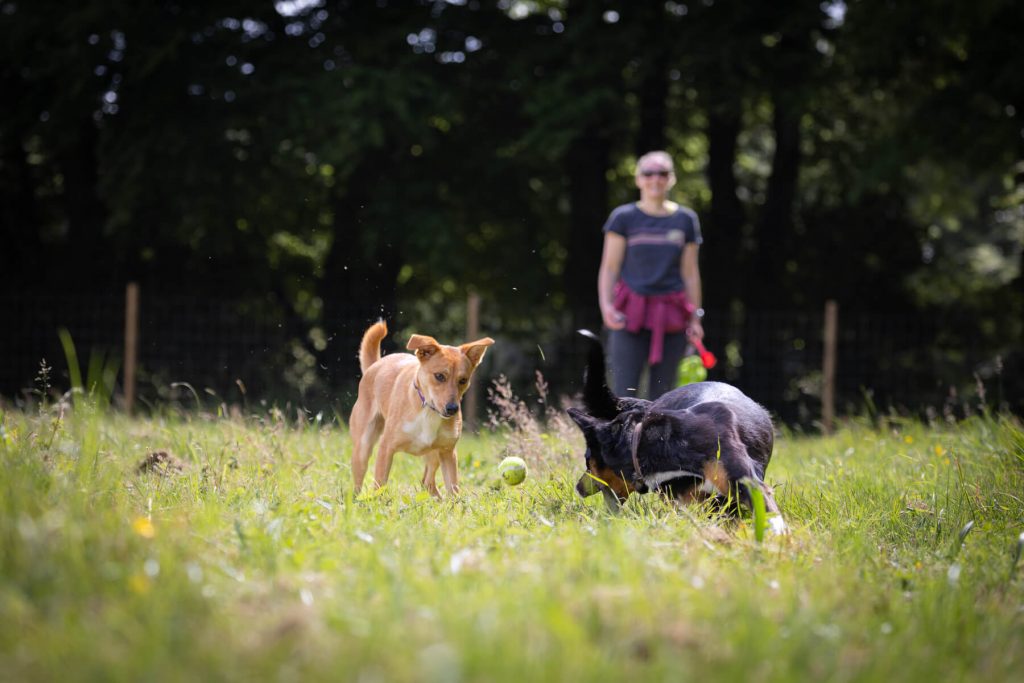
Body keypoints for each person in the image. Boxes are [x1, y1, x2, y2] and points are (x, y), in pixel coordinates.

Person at [597, 150, 705, 398]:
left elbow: (690, 273)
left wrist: (695, 318)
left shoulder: (685, 220)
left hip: (672, 316)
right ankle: (627, 438)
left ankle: (659, 439)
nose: (655, 179)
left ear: (671, 179)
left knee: (665, 394)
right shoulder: (623, 218)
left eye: (662, 173)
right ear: (638, 179)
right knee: (625, 393)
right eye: (648, 173)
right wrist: (606, 307)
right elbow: (610, 267)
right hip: (629, 314)